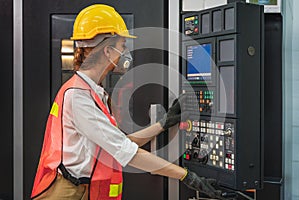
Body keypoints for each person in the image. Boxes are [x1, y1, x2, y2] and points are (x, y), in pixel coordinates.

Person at [31, 4, 225, 200]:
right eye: (123, 45)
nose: (125, 52)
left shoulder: (92, 91)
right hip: (68, 193)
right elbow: (126, 152)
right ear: (108, 50)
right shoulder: (79, 96)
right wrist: (187, 176)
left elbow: (121, 143)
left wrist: (163, 124)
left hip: (79, 189)